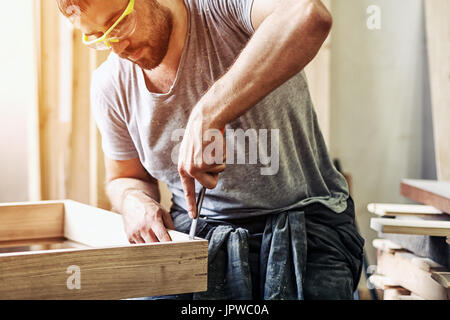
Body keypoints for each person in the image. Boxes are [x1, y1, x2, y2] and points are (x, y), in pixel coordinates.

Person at [57, 0, 365, 300]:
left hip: (306, 221)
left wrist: (208, 112)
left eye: (119, 22)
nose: (117, 46)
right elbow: (124, 177)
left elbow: (310, 15)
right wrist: (132, 199)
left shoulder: (222, 8)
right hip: (198, 232)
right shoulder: (111, 85)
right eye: (99, 37)